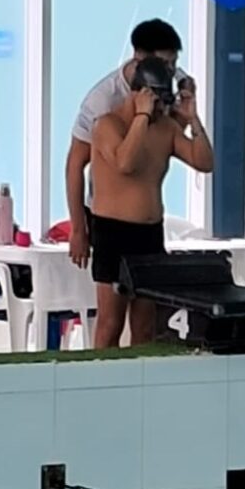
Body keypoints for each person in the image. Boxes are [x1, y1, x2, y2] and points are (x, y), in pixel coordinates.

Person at [89, 56, 214, 348]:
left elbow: (205, 162)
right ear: (139, 94)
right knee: (110, 324)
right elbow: (125, 163)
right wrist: (142, 117)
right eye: (156, 102)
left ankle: (139, 386)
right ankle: (99, 386)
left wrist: (193, 119)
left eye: (163, 103)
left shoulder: (166, 128)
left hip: (149, 235)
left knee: (145, 327)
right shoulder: (107, 126)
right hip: (112, 234)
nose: (161, 109)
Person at [66, 19, 185, 268]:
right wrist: (78, 229)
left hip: (148, 213)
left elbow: (167, 143)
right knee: (113, 300)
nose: (171, 71)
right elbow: (75, 164)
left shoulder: (169, 84)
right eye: (165, 64)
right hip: (107, 215)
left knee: (150, 298)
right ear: (139, 58)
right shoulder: (103, 100)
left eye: (174, 64)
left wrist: (186, 117)